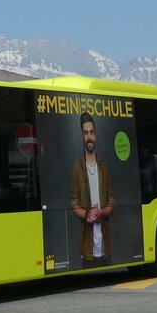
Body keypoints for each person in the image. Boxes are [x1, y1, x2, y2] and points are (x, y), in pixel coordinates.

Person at [69, 113, 115, 267]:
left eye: (91, 132)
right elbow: (74, 205)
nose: (89, 137)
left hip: (106, 247)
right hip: (87, 249)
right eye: (85, 133)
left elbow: (112, 202)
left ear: (95, 135)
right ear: (82, 137)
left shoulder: (103, 167)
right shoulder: (77, 167)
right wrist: (87, 214)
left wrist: (102, 212)